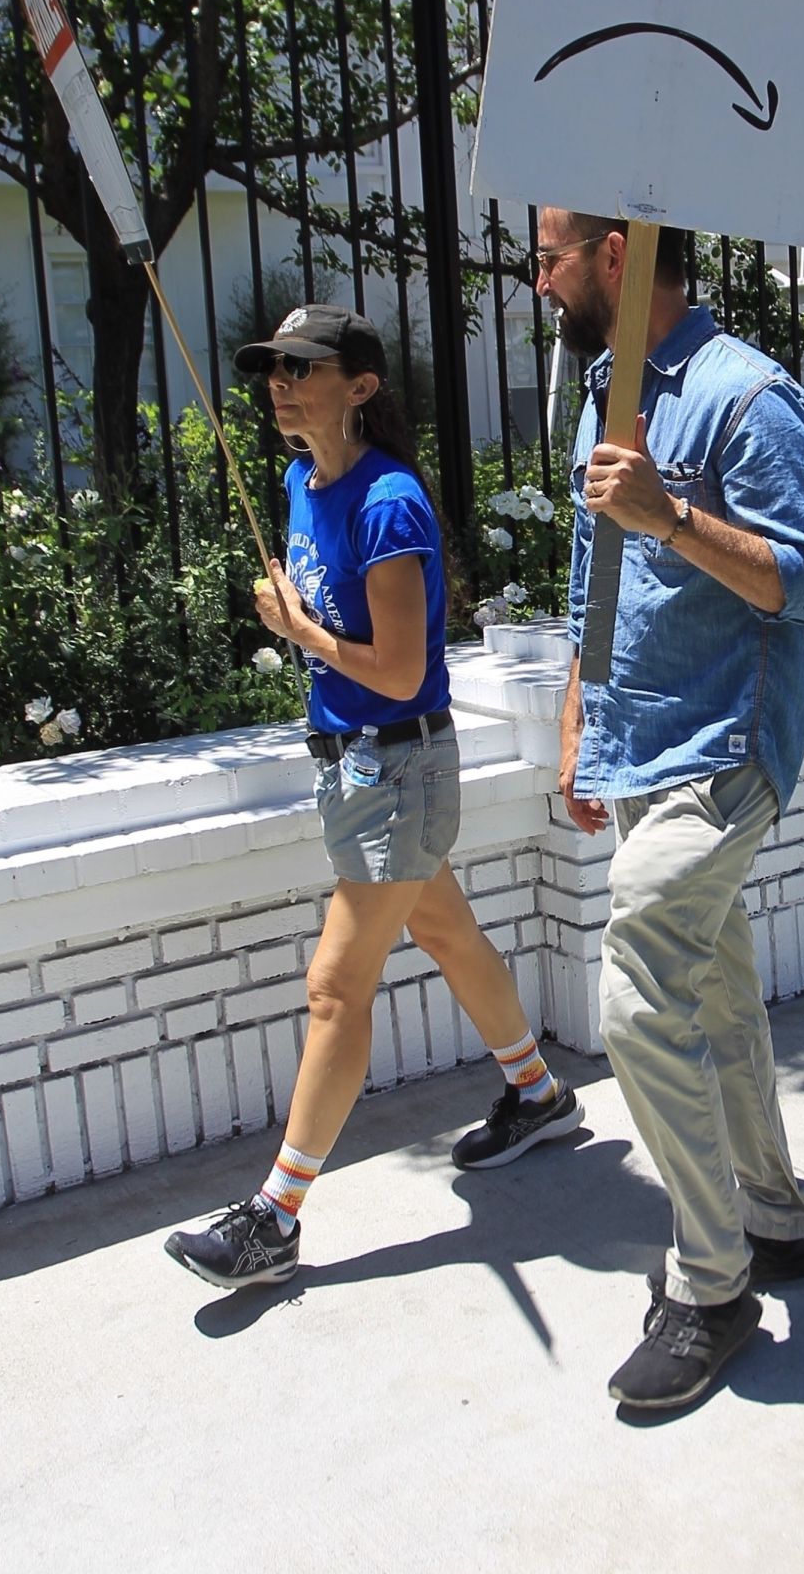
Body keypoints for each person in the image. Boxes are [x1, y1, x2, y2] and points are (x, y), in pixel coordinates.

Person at [165, 304, 583, 1291]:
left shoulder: (388, 500)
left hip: (398, 766)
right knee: (444, 934)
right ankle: (536, 1090)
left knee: (333, 988)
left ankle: (274, 1216)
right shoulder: (298, 481)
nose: (280, 381)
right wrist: (305, 628)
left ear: (359, 386)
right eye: (272, 367)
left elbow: (399, 672)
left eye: (302, 367)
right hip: (349, 765)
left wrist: (300, 633)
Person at [540, 210, 804, 1413]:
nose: (539, 277)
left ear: (616, 259)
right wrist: (579, 723)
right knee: (713, 988)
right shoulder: (605, 393)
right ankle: (773, 1217)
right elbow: (591, 575)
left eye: (553, 254)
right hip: (638, 741)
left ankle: (708, 1283)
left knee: (633, 989)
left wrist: (668, 510)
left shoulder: (746, 398)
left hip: (726, 744)